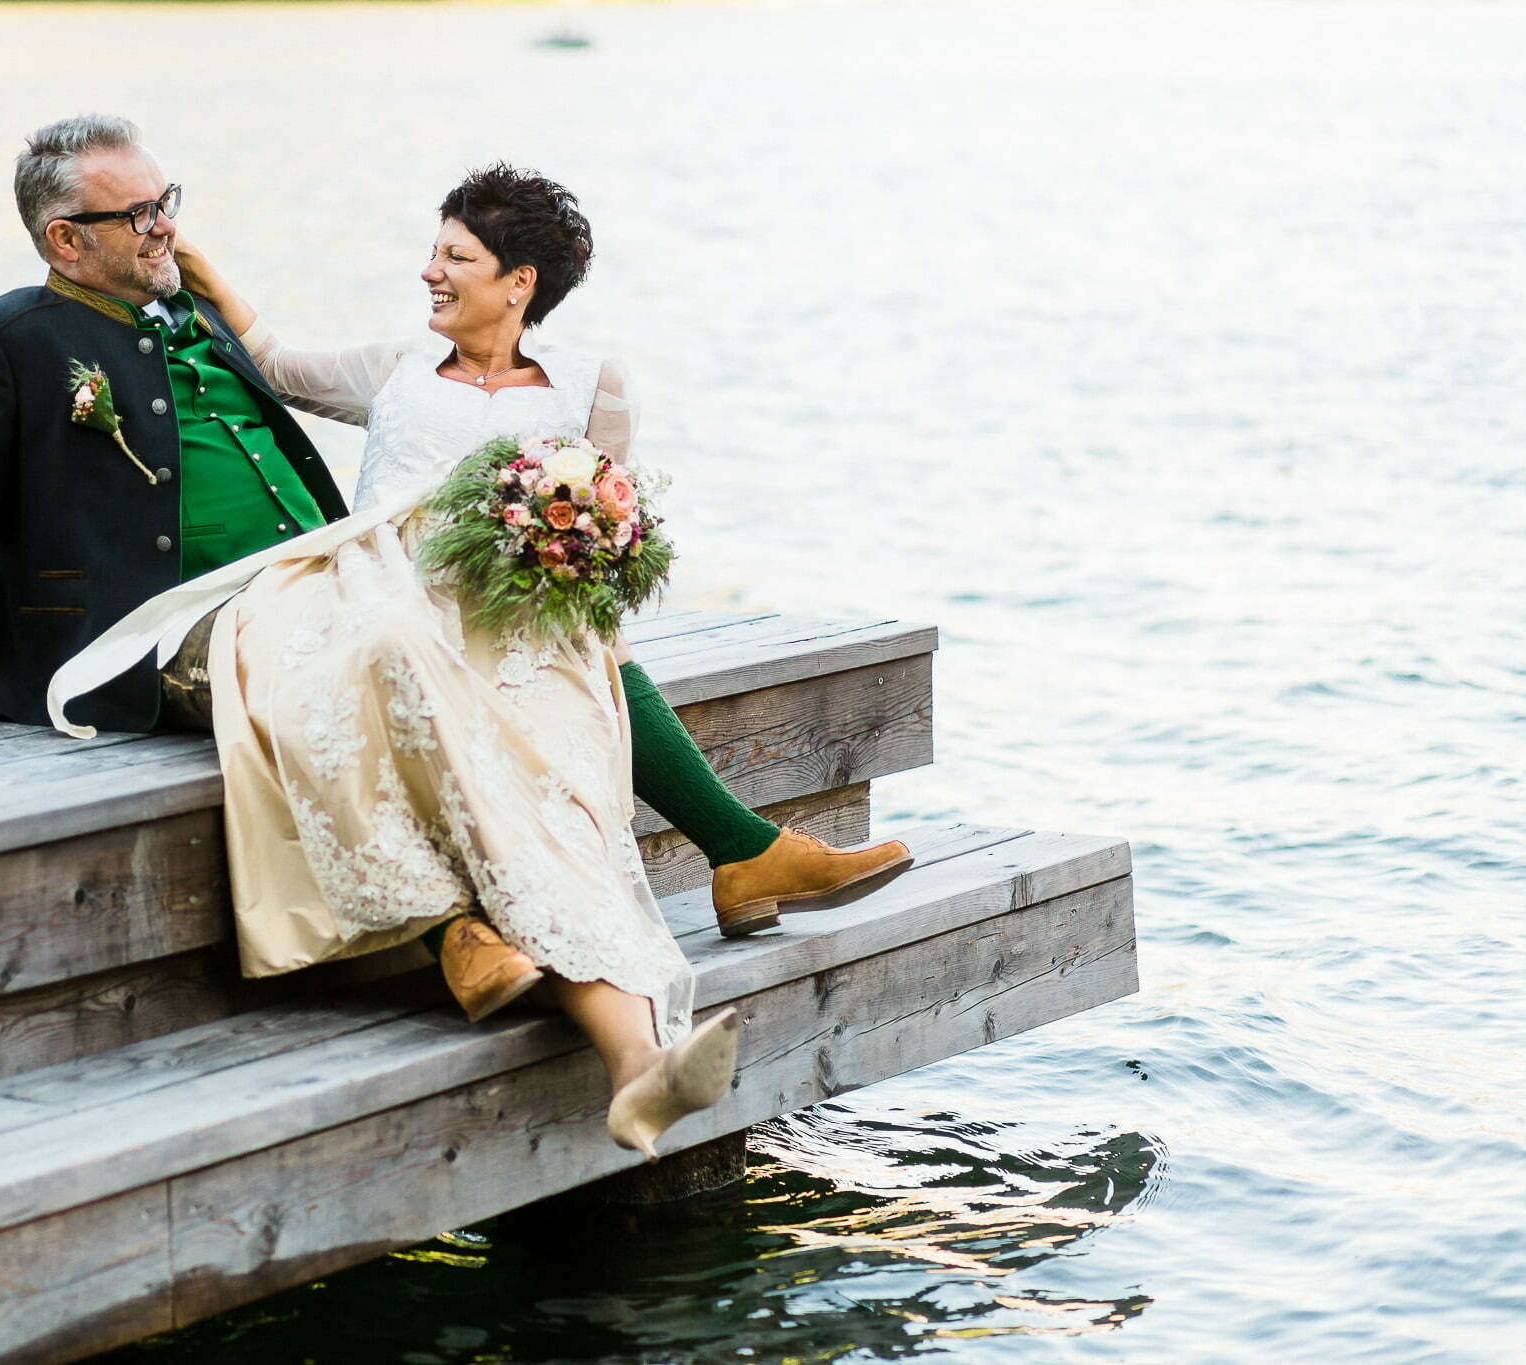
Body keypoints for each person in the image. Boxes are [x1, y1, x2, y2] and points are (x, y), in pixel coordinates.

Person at [46, 161, 913, 1157]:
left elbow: (608, 537)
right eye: (432, 250)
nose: (429, 273)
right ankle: (714, 886)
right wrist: (196, 265)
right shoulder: (394, 372)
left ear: (518, 284)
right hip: (368, 601)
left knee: (569, 720)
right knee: (489, 749)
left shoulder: (592, 387)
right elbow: (277, 362)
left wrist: (598, 629)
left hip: (512, 626)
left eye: (455, 256)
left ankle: (653, 1019)